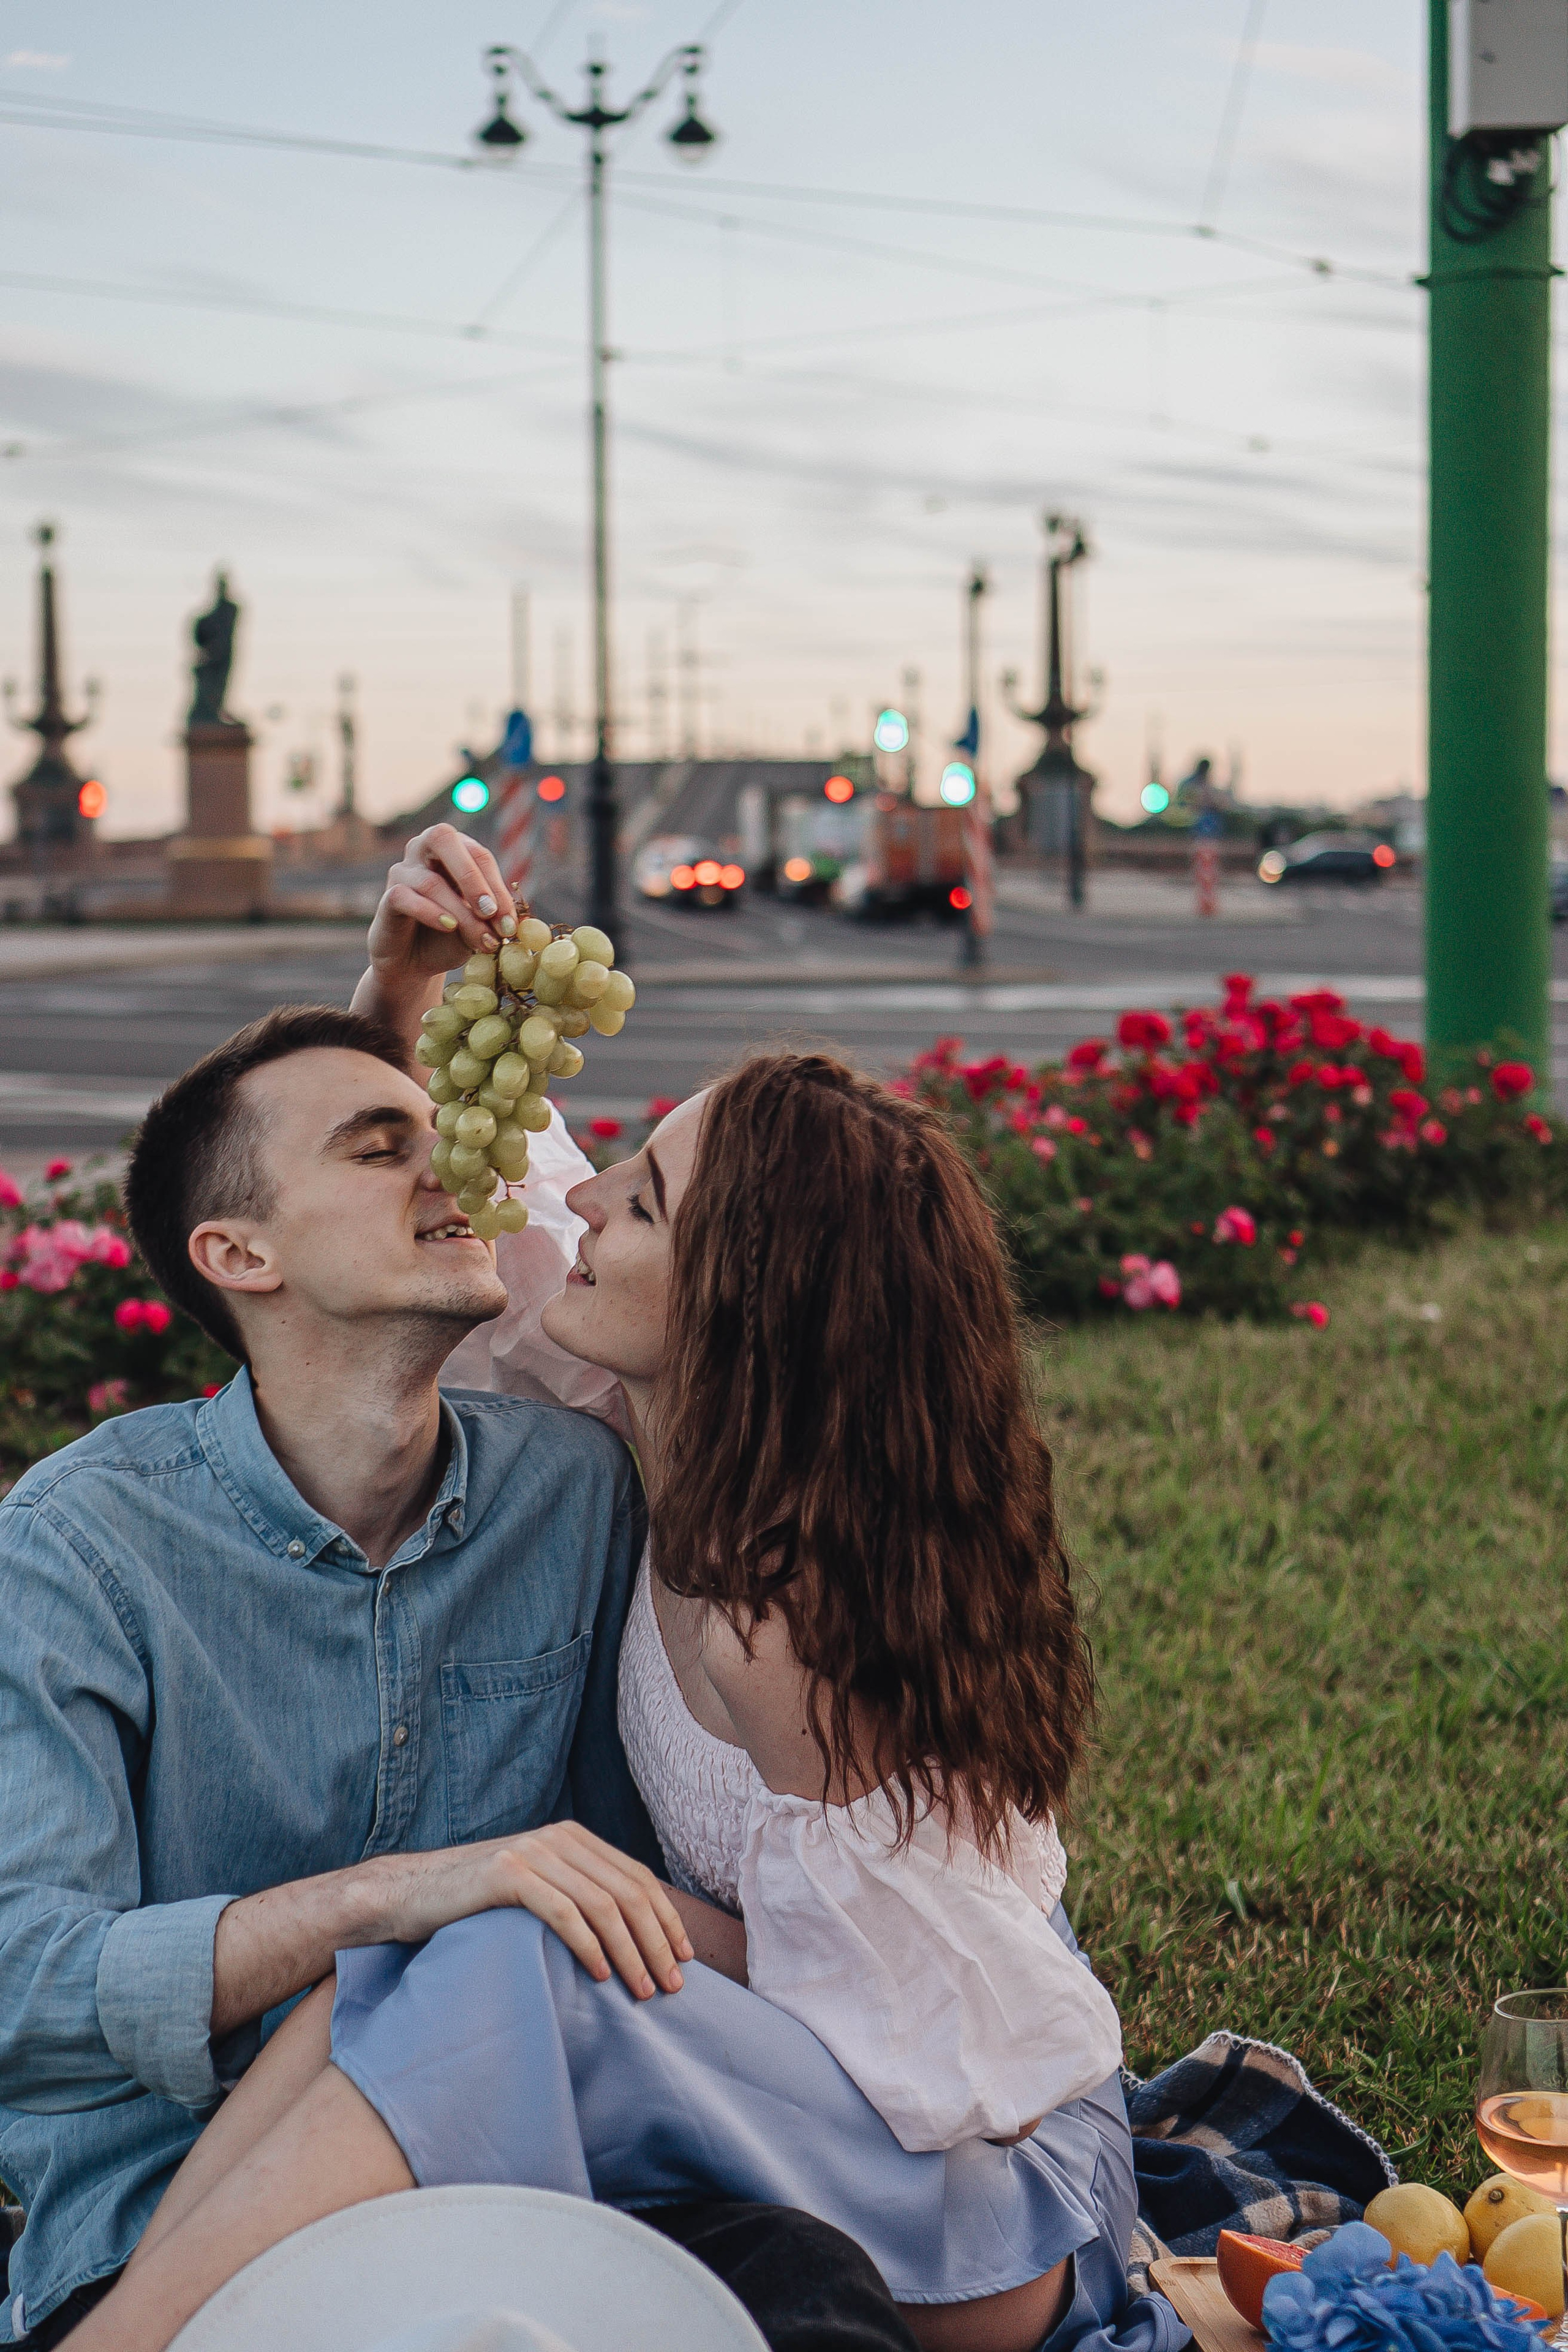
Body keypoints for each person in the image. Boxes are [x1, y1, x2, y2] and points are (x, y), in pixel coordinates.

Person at [67, 835, 1169, 2352]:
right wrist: (402, 982)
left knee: (510, 1942)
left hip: (970, 2206)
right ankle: (122, 2327)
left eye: (639, 1202)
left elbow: (912, 2037)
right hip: (833, 2108)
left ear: (737, 1302)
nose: (577, 1202)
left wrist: (593, 1910)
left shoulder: (782, 1624)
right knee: (434, 1932)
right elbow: (393, 1199)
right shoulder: (631, 1399)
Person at [0, 1002, 887, 2352]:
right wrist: (395, 1899)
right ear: (239, 1253)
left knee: (810, 2298)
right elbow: (22, 1998)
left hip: (516, 2170)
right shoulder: (78, 1547)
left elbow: (622, 1887)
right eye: (375, 1149)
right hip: (162, 2229)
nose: (449, 1177)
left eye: (437, 1137)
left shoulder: (572, 1493)